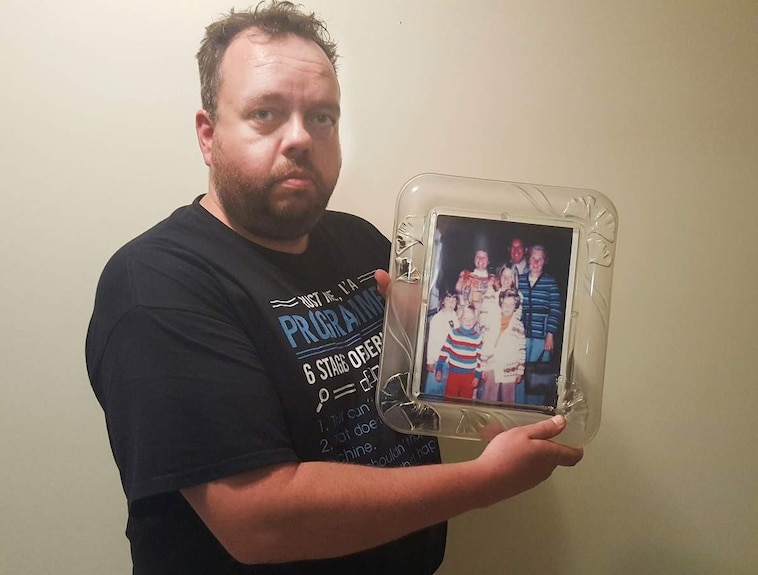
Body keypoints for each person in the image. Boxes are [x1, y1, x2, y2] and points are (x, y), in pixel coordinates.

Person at [85, 3, 582, 573]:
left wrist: (467, 373)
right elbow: (261, 521)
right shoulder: (155, 286)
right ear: (207, 134)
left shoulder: (359, 241)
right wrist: (484, 480)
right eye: (265, 113)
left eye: (322, 117)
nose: (300, 138)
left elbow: (413, 394)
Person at [517, 245, 563, 405]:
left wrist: (550, 335)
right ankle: (517, 408)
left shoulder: (550, 283)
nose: (536, 262)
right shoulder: (519, 280)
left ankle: (533, 410)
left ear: (545, 261)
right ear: (528, 259)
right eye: (533, 258)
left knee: (538, 376)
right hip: (519, 336)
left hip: (541, 338)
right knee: (519, 372)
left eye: (540, 259)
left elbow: (555, 310)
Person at [479, 289, 526, 404]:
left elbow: (521, 349)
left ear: (516, 306)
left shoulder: (518, 326)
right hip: (492, 364)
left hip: (510, 368)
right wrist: (483, 366)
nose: (507, 307)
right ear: (500, 303)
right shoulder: (492, 322)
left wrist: (520, 371)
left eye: (511, 304)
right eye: (505, 304)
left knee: (508, 399)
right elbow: (485, 343)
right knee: (489, 397)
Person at [434, 304, 483, 399]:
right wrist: (439, 368)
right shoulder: (453, 333)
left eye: (471, 319)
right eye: (465, 318)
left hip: (469, 375)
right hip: (453, 374)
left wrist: (477, 376)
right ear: (460, 318)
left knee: (466, 400)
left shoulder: (478, 337)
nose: (468, 322)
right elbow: (444, 351)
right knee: (449, 398)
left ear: (475, 320)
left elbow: (480, 359)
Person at [424, 291, 459, 396]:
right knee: (433, 390)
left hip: (452, 361)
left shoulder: (457, 318)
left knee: (446, 391)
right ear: (443, 301)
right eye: (448, 300)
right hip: (437, 359)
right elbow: (431, 341)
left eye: (454, 300)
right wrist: (430, 361)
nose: (451, 303)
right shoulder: (436, 319)